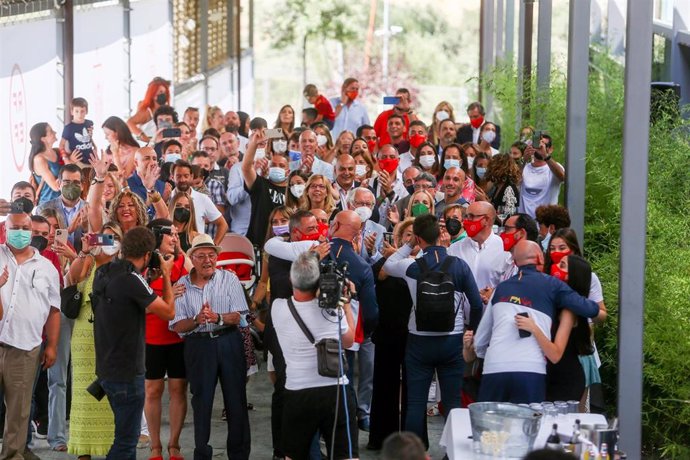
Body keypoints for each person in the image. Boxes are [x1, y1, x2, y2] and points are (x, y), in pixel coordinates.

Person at [383, 214, 483, 448]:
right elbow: (476, 304)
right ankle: (455, 452)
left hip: (419, 342)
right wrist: (472, 331)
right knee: (452, 402)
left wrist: (409, 245)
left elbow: (388, 265)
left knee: (416, 403)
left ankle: (413, 454)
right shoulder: (459, 265)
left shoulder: (411, 265)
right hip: (452, 340)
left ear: (418, 238)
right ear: (441, 235)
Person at [471, 240, 600, 404]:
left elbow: (481, 340)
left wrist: (485, 355)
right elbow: (591, 309)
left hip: (495, 367)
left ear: (516, 262)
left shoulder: (501, 288)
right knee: (527, 425)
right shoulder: (552, 285)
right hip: (531, 368)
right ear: (540, 258)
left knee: (490, 426)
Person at [92, 226, 175, 459]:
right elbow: (168, 312)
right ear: (148, 255)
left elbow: (125, 296)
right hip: (127, 374)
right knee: (126, 442)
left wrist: (148, 279)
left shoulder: (105, 271)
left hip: (107, 369)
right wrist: (167, 275)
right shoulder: (132, 280)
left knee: (123, 437)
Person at [170, 234, 251, 460]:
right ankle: (202, 453)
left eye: (212, 255)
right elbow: (177, 325)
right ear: (192, 259)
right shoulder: (182, 286)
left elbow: (239, 316)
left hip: (228, 341)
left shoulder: (230, 279)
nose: (207, 260)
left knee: (236, 400)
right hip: (199, 346)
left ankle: (239, 454)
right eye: (201, 256)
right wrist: (197, 319)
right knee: (201, 402)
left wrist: (217, 318)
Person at [272, 251, 358, 460]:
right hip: (335, 390)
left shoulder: (278, 308)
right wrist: (344, 301)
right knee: (345, 455)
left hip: (298, 392)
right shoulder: (332, 312)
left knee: (293, 455)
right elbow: (349, 341)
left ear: (291, 279)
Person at [0, 211, 61, 459]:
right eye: (17, 227)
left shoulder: (47, 267)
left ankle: (12, 455)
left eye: (27, 228)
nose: (22, 232)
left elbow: (54, 311)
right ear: (5, 228)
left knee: (19, 409)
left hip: (26, 346)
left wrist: (52, 346)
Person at [65, 222, 122, 458]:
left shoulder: (126, 269)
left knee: (113, 396)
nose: (107, 242)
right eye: (103, 237)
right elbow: (70, 280)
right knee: (83, 395)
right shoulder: (88, 262)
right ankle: (83, 453)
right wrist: (85, 250)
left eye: (113, 238)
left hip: (114, 340)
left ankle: (114, 449)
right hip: (84, 340)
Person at [516, 253, 596, 404]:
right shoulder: (555, 301)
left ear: (573, 276)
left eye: (562, 265)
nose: (555, 267)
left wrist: (534, 328)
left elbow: (555, 354)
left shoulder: (568, 311)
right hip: (548, 376)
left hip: (564, 381)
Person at [366, 219, 415, 450]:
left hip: (414, 336)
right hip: (387, 334)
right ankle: (380, 439)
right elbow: (381, 274)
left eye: (416, 236)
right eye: (407, 235)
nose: (411, 239)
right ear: (399, 238)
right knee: (384, 387)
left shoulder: (423, 264)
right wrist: (397, 254)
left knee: (412, 391)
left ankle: (412, 441)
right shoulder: (387, 261)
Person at [144, 220, 189, 460]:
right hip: (151, 338)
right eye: (169, 235)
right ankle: (155, 446)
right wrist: (163, 300)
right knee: (152, 390)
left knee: (178, 389)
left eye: (176, 234)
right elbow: (136, 308)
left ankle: (174, 444)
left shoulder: (180, 260)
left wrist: (181, 251)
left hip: (178, 337)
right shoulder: (144, 265)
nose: (174, 237)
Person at [242, 130, 289, 246]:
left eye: (281, 166)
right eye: (273, 165)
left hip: (286, 244)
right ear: (268, 168)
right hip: (258, 243)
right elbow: (246, 168)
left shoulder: (292, 191)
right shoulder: (261, 185)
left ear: (288, 172)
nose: (277, 167)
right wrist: (254, 144)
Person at [171, 160, 227, 245]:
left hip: (196, 252)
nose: (182, 180)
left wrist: (213, 247)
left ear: (191, 176)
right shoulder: (166, 198)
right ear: (172, 177)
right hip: (171, 251)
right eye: (178, 176)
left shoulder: (202, 198)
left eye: (186, 176)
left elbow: (223, 224)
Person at [518, 133, 565, 218]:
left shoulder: (554, 167)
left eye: (543, 145)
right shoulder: (524, 167)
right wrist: (523, 160)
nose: (539, 148)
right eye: (536, 145)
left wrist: (545, 156)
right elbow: (515, 182)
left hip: (546, 224)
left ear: (550, 149)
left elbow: (562, 177)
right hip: (525, 224)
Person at [126, 77, 172, 144]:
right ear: (153, 94)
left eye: (165, 92)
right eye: (161, 92)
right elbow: (129, 123)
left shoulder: (167, 110)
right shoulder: (147, 111)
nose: (163, 95)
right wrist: (143, 136)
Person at [28, 122, 62, 205]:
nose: (55, 132)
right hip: (48, 207)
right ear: (43, 139)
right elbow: (55, 186)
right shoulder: (39, 159)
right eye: (51, 131)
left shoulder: (57, 151)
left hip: (63, 204)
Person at [59, 97, 96, 165]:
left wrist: (95, 147)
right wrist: (66, 159)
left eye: (82, 111)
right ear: (72, 112)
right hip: (78, 161)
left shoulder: (89, 123)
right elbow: (61, 145)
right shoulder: (68, 128)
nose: (79, 114)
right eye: (76, 111)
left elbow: (89, 139)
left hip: (91, 161)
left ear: (86, 111)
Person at [485, 152, 521, 219]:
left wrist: (485, 203)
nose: (488, 169)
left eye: (491, 166)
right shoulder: (497, 187)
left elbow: (508, 218)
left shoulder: (509, 189)